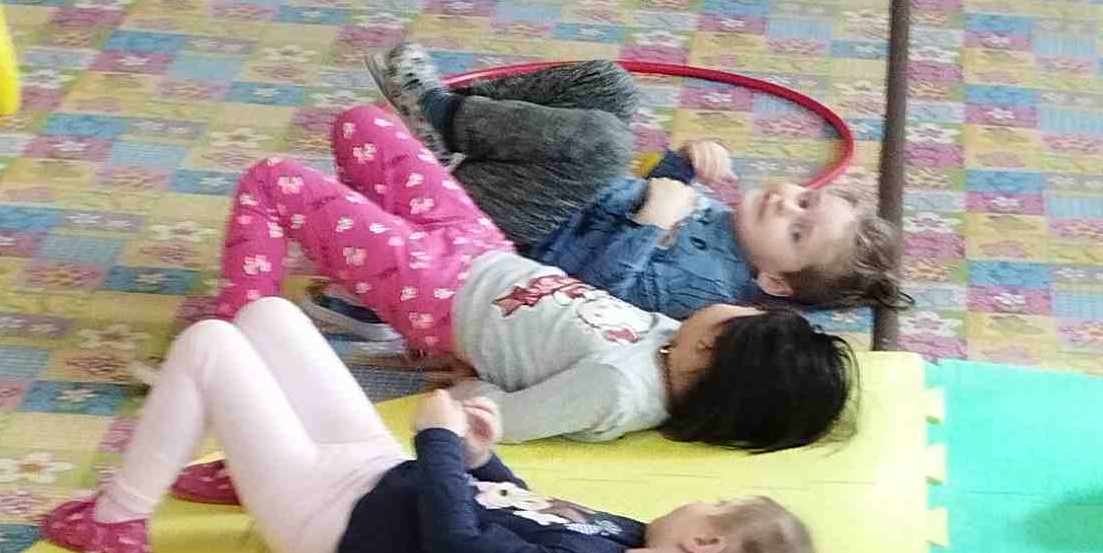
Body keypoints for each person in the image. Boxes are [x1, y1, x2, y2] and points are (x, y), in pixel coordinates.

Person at [30, 298, 826, 553]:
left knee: (209, 346)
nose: (700, 500)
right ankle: (247, 462)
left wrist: (440, 445)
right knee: (268, 318)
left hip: (331, 524)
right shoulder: (628, 541)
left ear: (705, 544)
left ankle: (117, 519)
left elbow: (458, 545)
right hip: (381, 481)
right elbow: (516, 509)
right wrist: (481, 454)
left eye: (717, 504)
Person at [215, 107, 859, 449]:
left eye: (741, 315)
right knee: (362, 125)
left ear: (712, 352)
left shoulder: (619, 390)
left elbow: (498, 419)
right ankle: (362, 288)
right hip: (482, 252)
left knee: (273, 182)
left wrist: (471, 377)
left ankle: (234, 351)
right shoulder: (673, 339)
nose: (732, 304)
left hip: (439, 291)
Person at [370, 40, 899, 315]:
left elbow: (595, 299)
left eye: (797, 232)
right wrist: (683, 165)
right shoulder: (733, 226)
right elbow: (642, 194)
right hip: (537, 184)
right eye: (805, 199)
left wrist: (650, 224)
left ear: (774, 282)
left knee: (607, 145)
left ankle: (440, 115)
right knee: (611, 87)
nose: (786, 206)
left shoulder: (708, 287)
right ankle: (451, 118)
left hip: (505, 232)